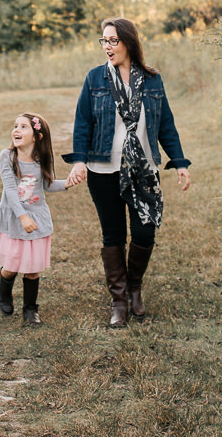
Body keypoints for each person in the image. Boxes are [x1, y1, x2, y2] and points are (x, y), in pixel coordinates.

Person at [63, 17, 191, 329]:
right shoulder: (95, 79)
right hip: (103, 168)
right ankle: (119, 300)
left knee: (145, 231)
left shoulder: (151, 79)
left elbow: (165, 124)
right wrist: (79, 161)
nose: (107, 47)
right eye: (103, 41)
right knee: (114, 234)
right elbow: (83, 123)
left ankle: (135, 287)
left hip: (143, 168)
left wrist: (180, 161)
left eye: (113, 41)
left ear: (128, 43)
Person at [0, 112, 69, 327]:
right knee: (12, 264)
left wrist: (68, 182)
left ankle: (31, 309)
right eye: (15, 125)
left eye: (23, 127)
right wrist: (22, 217)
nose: (16, 130)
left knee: (33, 269)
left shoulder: (43, 159)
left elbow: (48, 185)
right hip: (16, 217)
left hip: (36, 216)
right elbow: (11, 190)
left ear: (37, 137)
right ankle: (4, 291)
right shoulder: (7, 157)